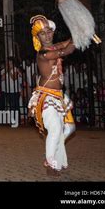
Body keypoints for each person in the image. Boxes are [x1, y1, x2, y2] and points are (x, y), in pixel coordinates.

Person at [28, 15, 76, 176]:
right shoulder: (43, 53)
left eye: (49, 31)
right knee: (55, 128)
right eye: (42, 33)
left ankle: (57, 155)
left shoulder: (54, 47)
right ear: (38, 37)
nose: (47, 35)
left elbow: (66, 43)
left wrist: (78, 31)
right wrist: (79, 38)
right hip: (46, 97)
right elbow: (68, 49)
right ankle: (49, 161)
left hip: (58, 95)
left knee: (69, 128)